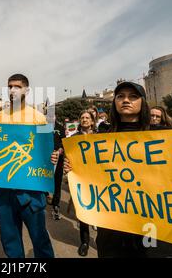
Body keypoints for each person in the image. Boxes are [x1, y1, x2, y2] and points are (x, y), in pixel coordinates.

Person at [62, 82, 172, 258]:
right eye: (120, 96)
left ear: (142, 102)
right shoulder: (100, 140)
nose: (126, 100)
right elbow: (87, 178)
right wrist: (72, 170)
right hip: (113, 230)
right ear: (114, 102)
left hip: (154, 230)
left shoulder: (166, 136)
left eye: (133, 96)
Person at [0, 74, 55, 258]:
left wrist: (52, 156)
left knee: (40, 239)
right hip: (4, 191)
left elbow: (47, 149)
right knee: (10, 240)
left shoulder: (39, 117)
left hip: (31, 192)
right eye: (9, 86)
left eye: (17, 86)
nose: (12, 90)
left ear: (27, 90)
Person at [75, 110, 98, 257]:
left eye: (87, 118)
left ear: (92, 121)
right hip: (81, 179)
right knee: (83, 212)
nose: (84, 120)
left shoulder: (100, 137)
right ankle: (84, 242)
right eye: (82, 117)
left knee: (100, 211)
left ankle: (102, 241)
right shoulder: (74, 138)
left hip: (98, 178)